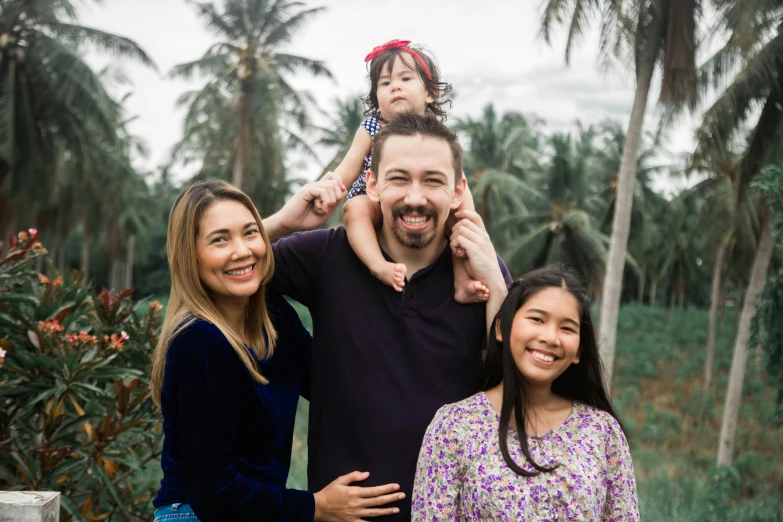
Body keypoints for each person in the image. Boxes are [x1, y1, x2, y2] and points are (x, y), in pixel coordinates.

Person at [262, 113, 512, 521]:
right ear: (373, 184)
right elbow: (216, 271)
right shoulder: (327, 256)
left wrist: (499, 289)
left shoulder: (481, 271)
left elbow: (515, 390)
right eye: (399, 178)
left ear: (457, 190)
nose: (415, 198)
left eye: (433, 180)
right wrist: (282, 224)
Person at [150, 180, 404, 522]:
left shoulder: (269, 315)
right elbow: (214, 491)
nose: (241, 250)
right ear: (190, 255)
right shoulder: (200, 341)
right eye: (219, 239)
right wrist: (316, 506)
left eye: (250, 233)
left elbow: (328, 383)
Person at [411, 265, 640, 521]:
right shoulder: (453, 427)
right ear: (501, 328)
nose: (550, 337)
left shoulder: (603, 432)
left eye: (567, 328)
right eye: (537, 319)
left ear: (578, 351)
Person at [328, 39, 488, 303]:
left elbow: (455, 183)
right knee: (354, 210)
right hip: (372, 195)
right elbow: (347, 169)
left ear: (430, 93)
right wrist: (327, 187)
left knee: (462, 221)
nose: (396, 87)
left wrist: (464, 216)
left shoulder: (437, 135)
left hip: (428, 199)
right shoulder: (370, 127)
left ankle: (461, 279)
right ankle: (377, 264)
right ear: (377, 100)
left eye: (405, 78)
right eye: (385, 83)